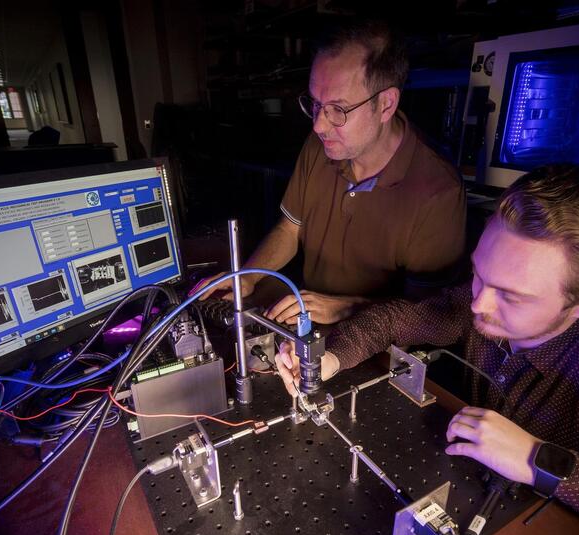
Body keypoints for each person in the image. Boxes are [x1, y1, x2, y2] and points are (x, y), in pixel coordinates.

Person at [275, 164, 579, 535]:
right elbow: (397, 319)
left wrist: (537, 459)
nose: (478, 303)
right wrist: (328, 360)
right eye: (479, 275)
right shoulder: (481, 305)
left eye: (512, 296)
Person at [194, 20, 465, 324]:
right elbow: (290, 229)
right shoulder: (320, 145)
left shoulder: (439, 192)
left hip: (378, 348)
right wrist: (249, 276)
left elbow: (427, 315)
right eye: (315, 103)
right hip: (310, 325)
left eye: (338, 109)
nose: (318, 125)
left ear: (386, 104)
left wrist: (348, 308)